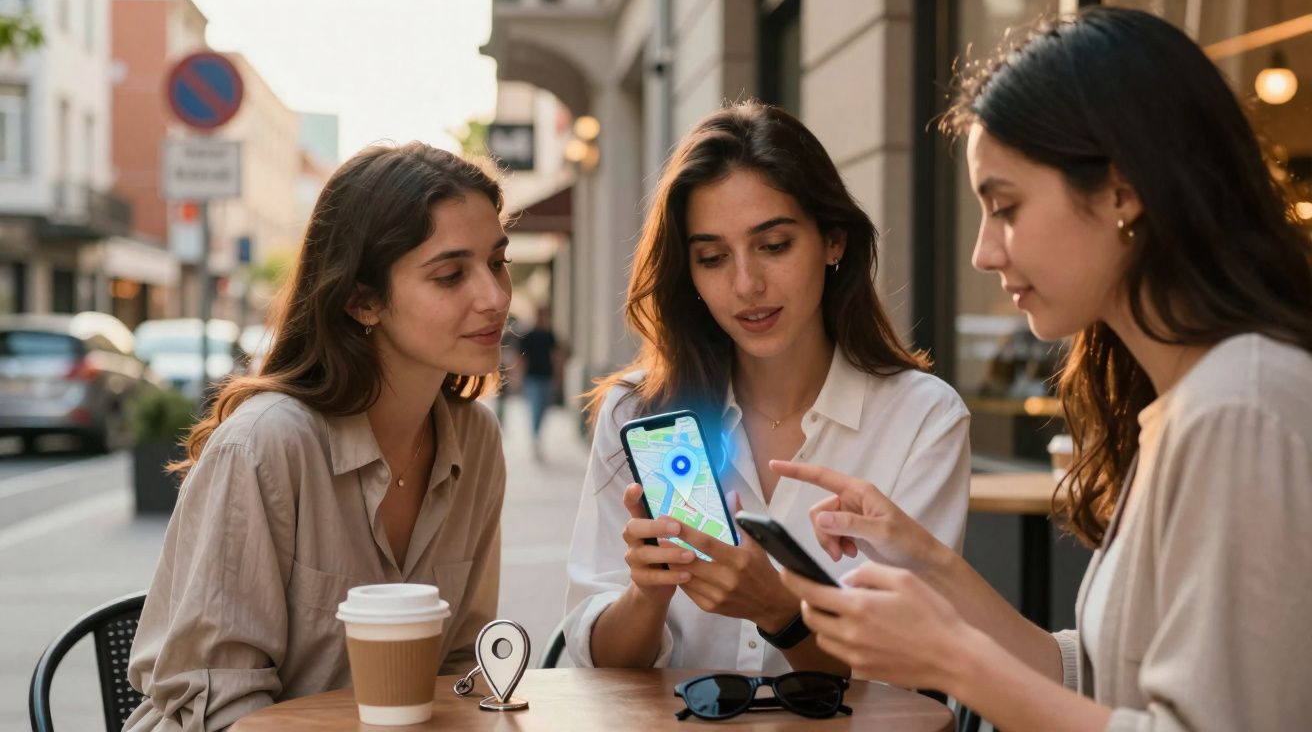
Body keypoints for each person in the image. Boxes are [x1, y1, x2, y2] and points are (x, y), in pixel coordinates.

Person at [776, 7, 1312, 731]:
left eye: (1005, 207)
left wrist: (952, 663)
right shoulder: (1191, 401)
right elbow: (1094, 680)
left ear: (1122, 191)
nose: (983, 253)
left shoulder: (1237, 409)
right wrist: (924, 558)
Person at [563, 102, 972, 676]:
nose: (746, 285)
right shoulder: (639, 411)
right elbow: (597, 662)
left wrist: (779, 611)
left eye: (774, 245)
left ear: (833, 242)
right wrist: (648, 594)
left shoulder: (922, 418)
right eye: (712, 257)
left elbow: (907, 672)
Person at [125, 142, 514, 730]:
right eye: (450, 274)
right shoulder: (265, 445)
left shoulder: (476, 439)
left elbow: (459, 667)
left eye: (497, 261)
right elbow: (220, 704)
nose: (494, 297)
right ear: (362, 301)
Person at [516, 306, 563, 459]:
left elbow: (555, 356)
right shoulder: (528, 336)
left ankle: (538, 435)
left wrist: (557, 377)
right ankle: (536, 439)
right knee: (535, 409)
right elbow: (522, 359)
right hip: (532, 378)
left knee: (543, 409)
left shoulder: (549, 336)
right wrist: (519, 378)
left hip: (546, 378)